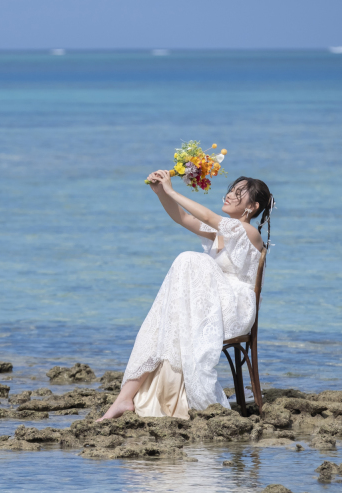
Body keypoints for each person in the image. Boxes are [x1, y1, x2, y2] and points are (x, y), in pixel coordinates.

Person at [98, 170, 275, 421]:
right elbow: (182, 217)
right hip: (211, 304)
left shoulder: (249, 233)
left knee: (190, 259)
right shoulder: (221, 233)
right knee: (162, 322)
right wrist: (161, 193)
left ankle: (142, 397)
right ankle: (124, 398)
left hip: (234, 310)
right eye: (231, 190)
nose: (229, 195)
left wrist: (173, 190)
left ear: (253, 206)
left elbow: (208, 216)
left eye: (238, 194)